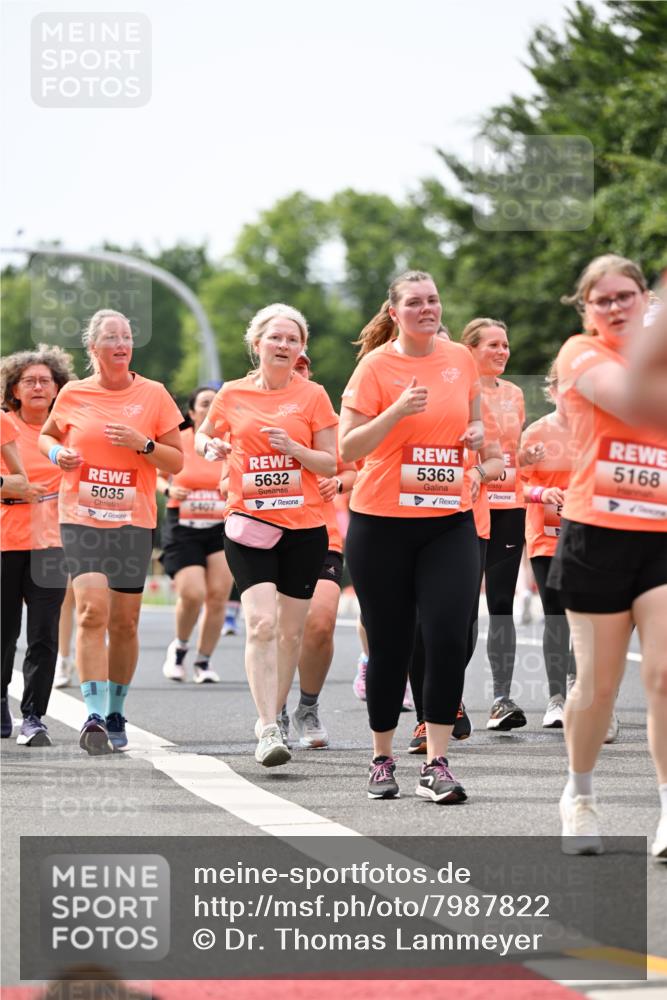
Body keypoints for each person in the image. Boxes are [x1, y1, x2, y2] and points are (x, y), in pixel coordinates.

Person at [340, 270, 484, 803]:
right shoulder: (376, 367)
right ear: (395, 312)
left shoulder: (460, 359)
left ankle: (437, 762)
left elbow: (475, 427)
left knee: (448, 634)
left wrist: (476, 438)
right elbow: (350, 448)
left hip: (448, 519)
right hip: (382, 524)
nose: (428, 309)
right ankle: (381, 759)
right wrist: (398, 410)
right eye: (416, 302)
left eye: (434, 300)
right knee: (392, 642)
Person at [547, 255, 667, 859]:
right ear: (586, 310)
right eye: (603, 300)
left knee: (665, 672)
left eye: (627, 295)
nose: (616, 307)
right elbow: (634, 403)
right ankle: (581, 795)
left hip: (662, 536)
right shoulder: (579, 354)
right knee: (596, 686)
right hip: (597, 532)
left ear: (645, 298)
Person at [195, 304, 337, 768]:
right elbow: (203, 437)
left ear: (302, 349)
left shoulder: (313, 395)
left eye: (293, 340)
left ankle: (276, 711)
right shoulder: (232, 394)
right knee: (261, 624)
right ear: (256, 344)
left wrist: (295, 448)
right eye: (275, 338)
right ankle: (268, 726)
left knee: (291, 632)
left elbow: (330, 463)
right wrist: (210, 444)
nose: (284, 346)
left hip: (305, 528)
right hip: (250, 525)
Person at [39, 309, 183, 755]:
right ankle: (94, 713)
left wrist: (143, 444)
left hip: (132, 520)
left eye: (126, 337)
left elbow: (177, 461)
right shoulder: (74, 394)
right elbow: (46, 435)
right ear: (93, 348)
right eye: (111, 338)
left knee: (124, 621)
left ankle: (118, 708)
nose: (121, 344)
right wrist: (59, 452)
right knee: (90, 612)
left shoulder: (154, 395)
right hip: (80, 517)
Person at [461, 318, 545, 731]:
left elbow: (510, 451)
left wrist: (528, 458)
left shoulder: (513, 394)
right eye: (492, 344)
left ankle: (500, 698)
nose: (501, 352)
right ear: (471, 348)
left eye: (505, 345)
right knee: (460, 608)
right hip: (467, 506)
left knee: (500, 605)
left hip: (509, 506)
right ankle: (449, 699)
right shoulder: (460, 389)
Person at [282, 350, 358, 748]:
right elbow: (229, 478)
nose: (298, 369)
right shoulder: (247, 407)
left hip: (320, 533)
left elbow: (351, 468)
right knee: (279, 628)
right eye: (289, 361)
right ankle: (273, 710)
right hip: (268, 535)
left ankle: (307, 708)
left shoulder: (321, 410)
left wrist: (340, 483)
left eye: (303, 363)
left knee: (320, 622)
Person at [1, 346, 75, 746]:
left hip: (51, 544)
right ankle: (0, 700)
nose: (37, 387)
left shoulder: (66, 433)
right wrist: (10, 488)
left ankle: (34, 716)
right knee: (4, 632)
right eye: (28, 380)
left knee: (44, 634)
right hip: (5, 541)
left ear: (57, 389)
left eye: (45, 381)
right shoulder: (2, 424)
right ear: (13, 390)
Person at [159, 385, 233, 684]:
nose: (210, 407)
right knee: (193, 593)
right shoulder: (180, 441)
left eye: (216, 403)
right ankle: (179, 648)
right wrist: (168, 489)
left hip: (220, 525)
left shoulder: (230, 443)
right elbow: (154, 472)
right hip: (184, 525)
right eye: (204, 403)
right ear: (191, 413)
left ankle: (203, 661)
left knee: (217, 596)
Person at [520, 362, 577, 729]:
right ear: (553, 391)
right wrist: (543, 492)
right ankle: (557, 698)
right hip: (545, 538)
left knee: (587, 617)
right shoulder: (536, 433)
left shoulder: (598, 433)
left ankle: (579, 685)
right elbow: (513, 485)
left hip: (589, 539)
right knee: (556, 617)